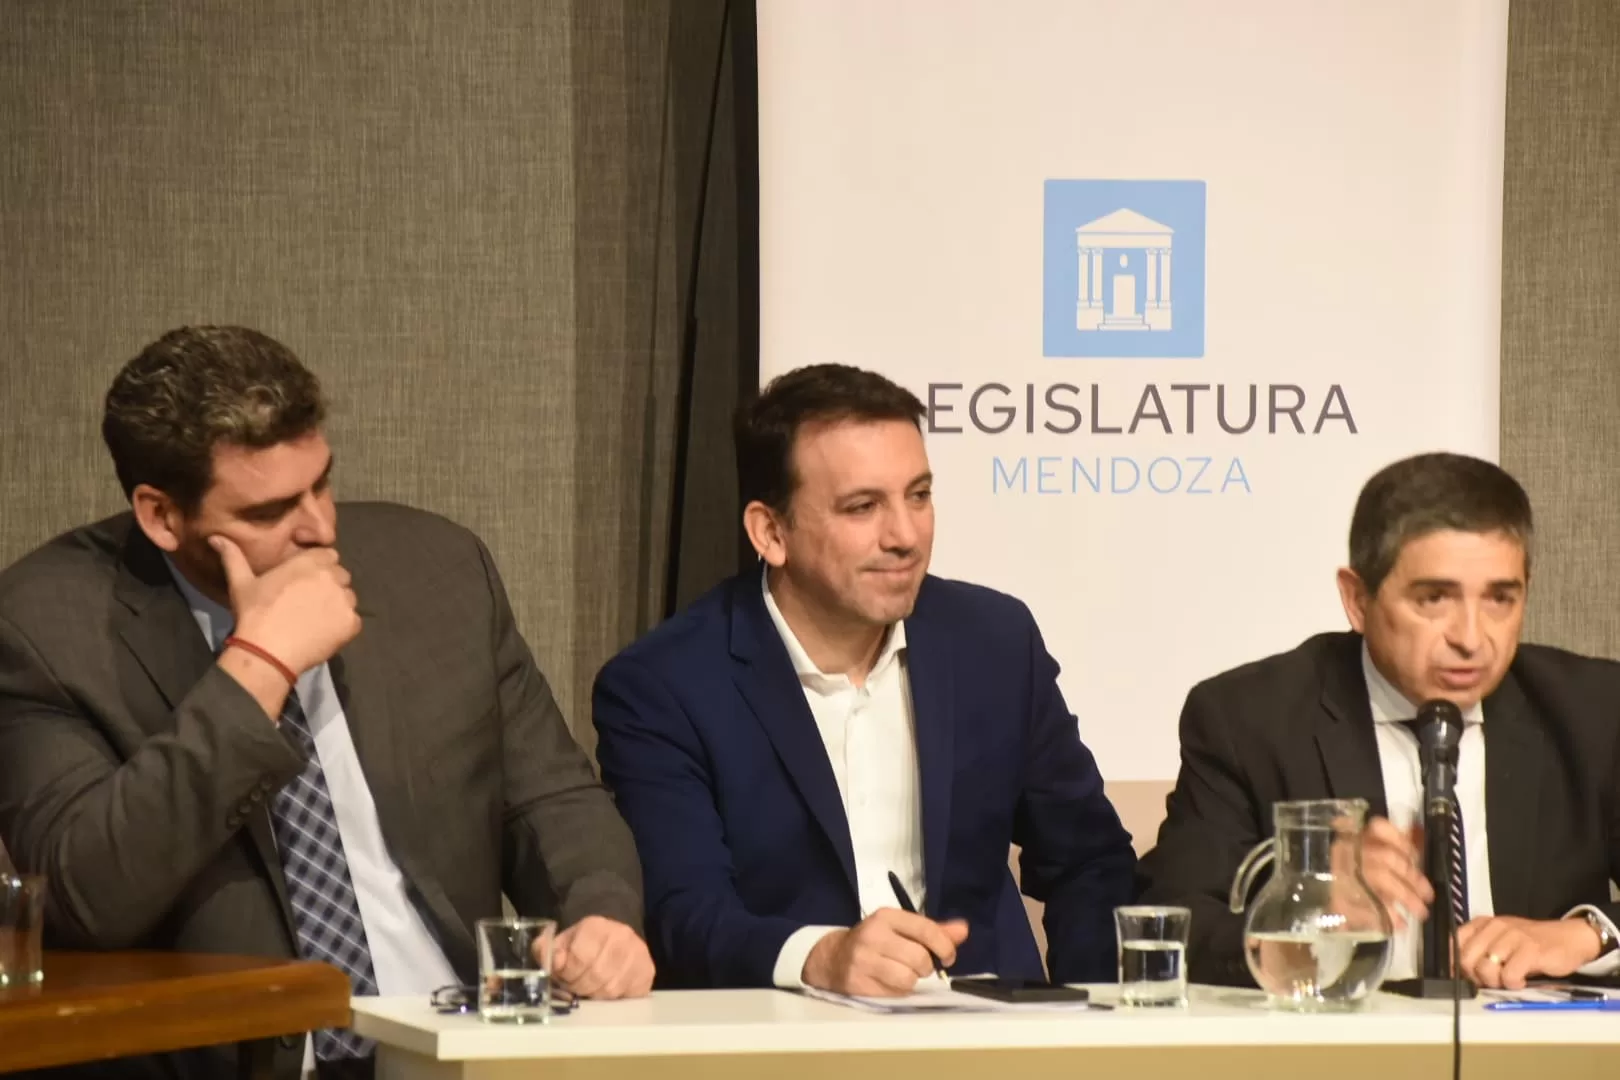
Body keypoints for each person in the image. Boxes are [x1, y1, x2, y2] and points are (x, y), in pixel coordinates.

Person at [0, 326, 654, 1079]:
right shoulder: (45, 629)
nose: (321, 529)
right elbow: (87, 898)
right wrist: (258, 665)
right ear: (162, 516)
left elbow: (552, 798)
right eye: (269, 511)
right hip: (240, 1061)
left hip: (450, 1049)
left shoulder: (437, 567)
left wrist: (600, 915)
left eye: (321, 484)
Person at [592, 363, 1135, 993]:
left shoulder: (994, 643)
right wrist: (820, 959)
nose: (905, 536)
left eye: (918, 496)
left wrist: (1090, 1017)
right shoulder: (665, 686)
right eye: (863, 507)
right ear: (771, 532)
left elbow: (1089, 861)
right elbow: (686, 914)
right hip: (786, 1032)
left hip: (985, 1028)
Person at [1138, 452, 1620, 990]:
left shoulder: (1594, 711)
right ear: (1357, 600)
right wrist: (1311, 905)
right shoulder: (1249, 719)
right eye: (1434, 599)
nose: (1471, 637)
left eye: (1500, 599)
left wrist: (1589, 934)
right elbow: (1170, 927)